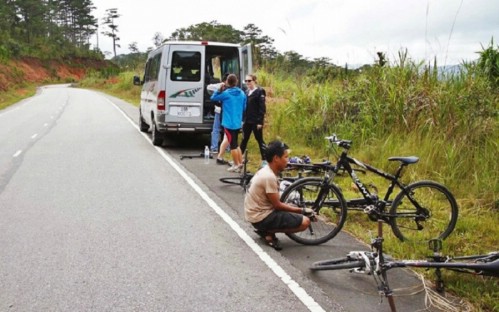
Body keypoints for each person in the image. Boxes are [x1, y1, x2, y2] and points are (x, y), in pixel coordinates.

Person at [244, 140, 315, 250]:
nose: (288, 160)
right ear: (276, 158)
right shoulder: (269, 177)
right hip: (260, 217)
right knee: (305, 222)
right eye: (286, 157)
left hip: (256, 213)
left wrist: (295, 209)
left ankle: (268, 230)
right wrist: (302, 210)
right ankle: (267, 230)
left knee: (293, 208)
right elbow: (277, 205)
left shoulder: (266, 170)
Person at [210, 74, 246, 172]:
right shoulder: (242, 93)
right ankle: (240, 163)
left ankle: (236, 164)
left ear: (227, 82)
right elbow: (244, 107)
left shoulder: (226, 94)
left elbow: (213, 98)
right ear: (237, 81)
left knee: (233, 144)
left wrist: (218, 89)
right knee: (236, 143)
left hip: (228, 123)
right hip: (237, 122)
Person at [239, 74, 267, 167]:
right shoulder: (246, 92)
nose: (247, 83)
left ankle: (265, 161)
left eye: (249, 81)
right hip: (247, 120)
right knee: (244, 140)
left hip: (256, 120)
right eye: (246, 81)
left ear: (254, 81)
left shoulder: (259, 91)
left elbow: (262, 108)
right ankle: (239, 159)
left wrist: (260, 121)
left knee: (259, 140)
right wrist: (243, 119)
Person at [207, 73, 230, 154]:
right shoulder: (220, 86)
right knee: (216, 129)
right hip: (219, 110)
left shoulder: (231, 88)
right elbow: (208, 87)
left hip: (226, 111)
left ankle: (227, 148)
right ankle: (214, 148)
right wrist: (219, 87)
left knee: (226, 130)